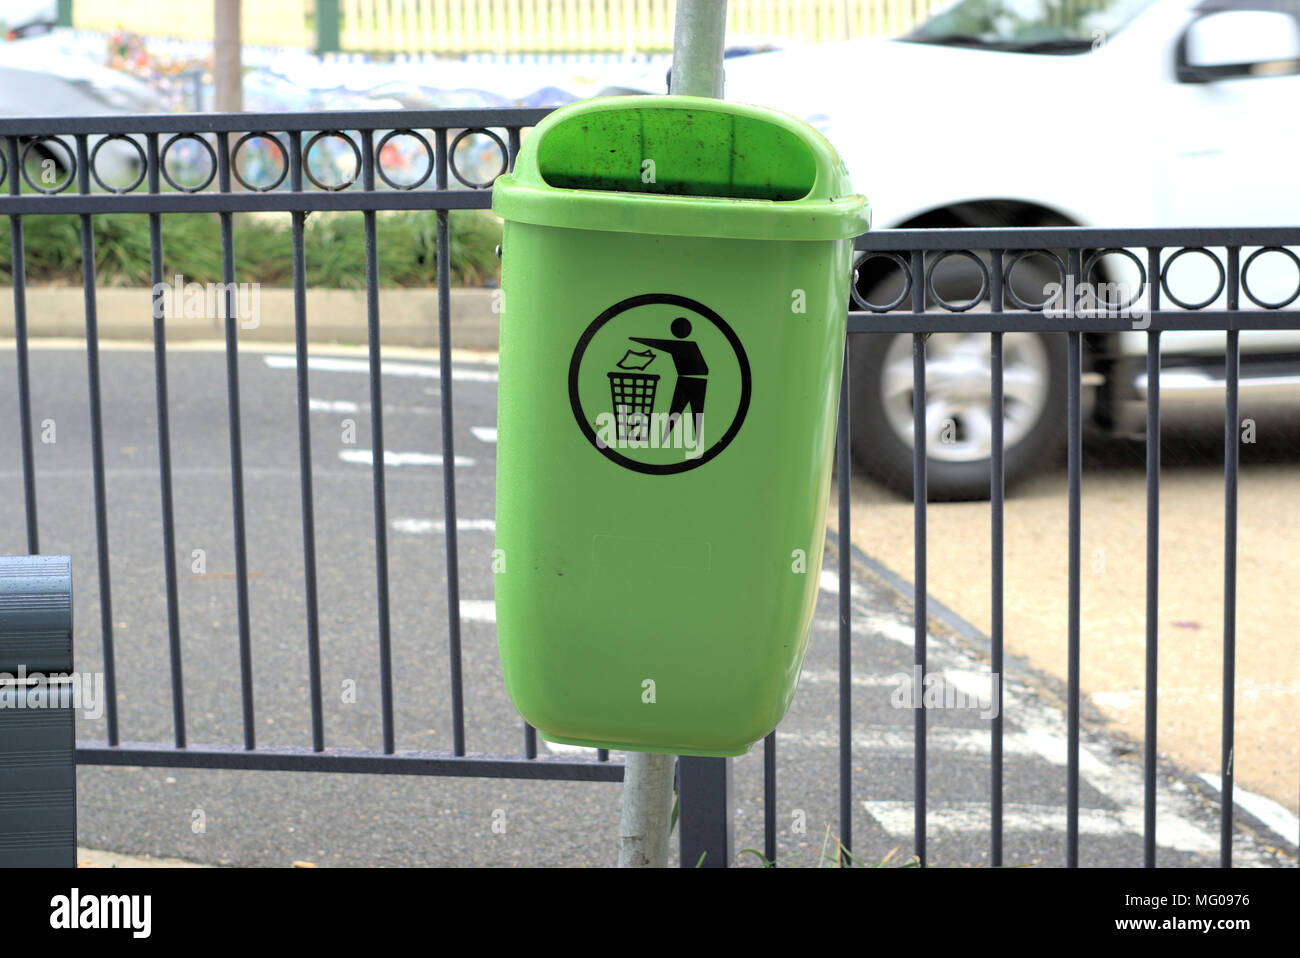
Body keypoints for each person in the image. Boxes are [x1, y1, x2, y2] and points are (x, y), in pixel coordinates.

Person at [630, 316, 708, 445]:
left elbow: (660, 344)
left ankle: (685, 441)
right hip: (692, 380)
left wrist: (636, 339)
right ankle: (668, 440)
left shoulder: (685, 345)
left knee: (684, 412)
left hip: (691, 381)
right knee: (685, 413)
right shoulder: (689, 345)